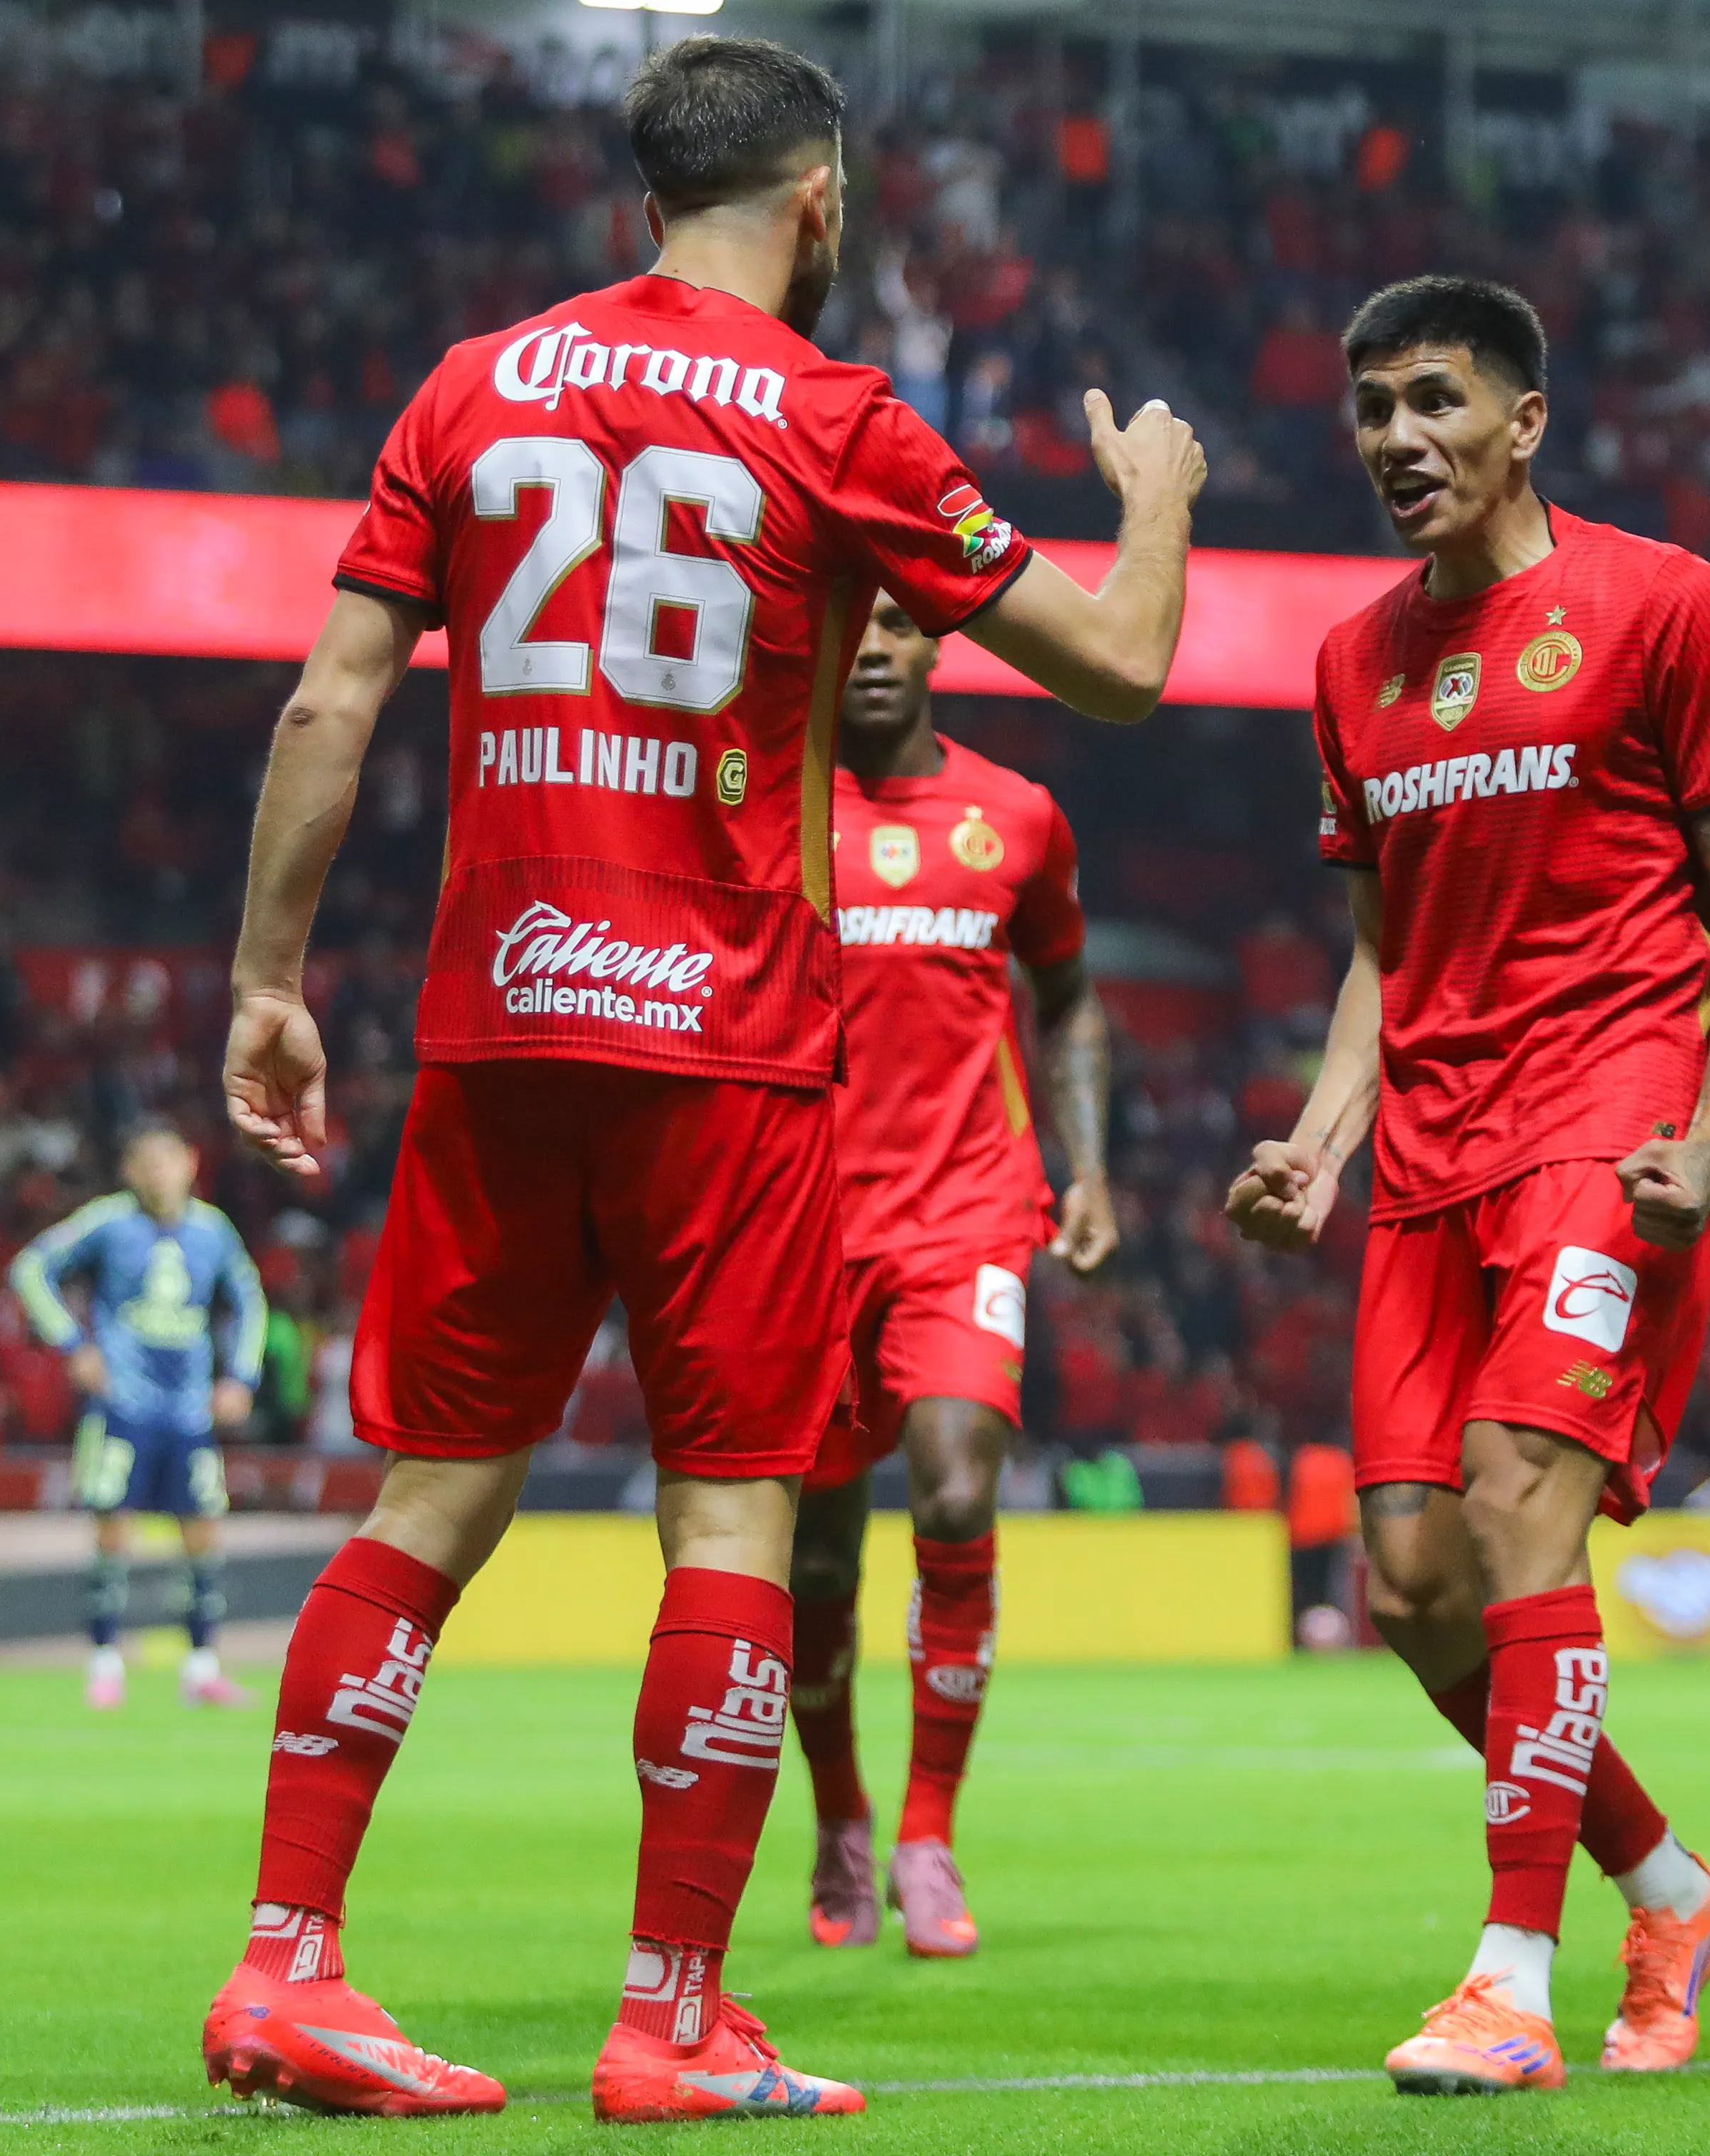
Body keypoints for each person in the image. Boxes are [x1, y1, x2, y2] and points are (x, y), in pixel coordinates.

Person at [201, 34, 1202, 2124]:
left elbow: (325, 706)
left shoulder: (467, 388)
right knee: (733, 1507)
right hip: (725, 1042)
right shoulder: (836, 414)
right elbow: (1120, 665)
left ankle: (286, 1963)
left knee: (433, 1494)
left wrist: (267, 983)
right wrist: (1161, 507)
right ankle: (670, 2015)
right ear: (818, 199)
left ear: (642, 196)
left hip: (500, 1015)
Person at [1225, 275, 1710, 2097]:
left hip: (1604, 1118)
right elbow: (1381, 952)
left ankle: (1508, 1980)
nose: (1399, 438)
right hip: (1426, 1151)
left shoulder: (1662, 603)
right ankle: (1675, 1891)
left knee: (1516, 1500)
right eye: (1372, 409)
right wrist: (1319, 1140)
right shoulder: (1352, 662)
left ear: (1525, 421)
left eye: (1436, 400)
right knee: (1412, 1586)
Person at [789, 592, 1118, 1960]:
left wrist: (1085, 1168)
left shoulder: (1017, 817)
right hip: (799, 1232)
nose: (871, 647)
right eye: (848, 624)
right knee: (814, 1563)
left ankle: (926, 1830)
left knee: (956, 1492)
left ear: (937, 642)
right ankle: (840, 1812)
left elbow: (1069, 995)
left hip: (967, 1216)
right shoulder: (768, 806)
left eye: (895, 623)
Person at [9, 1123, 266, 1711]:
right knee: (112, 1528)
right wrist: (72, 1344)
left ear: (190, 1165)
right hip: (122, 1403)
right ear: (129, 1171)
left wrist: (241, 1376)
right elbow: (30, 1268)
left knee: (202, 1530)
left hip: (189, 1408)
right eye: (146, 1163)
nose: (158, 1173)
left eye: (167, 1161)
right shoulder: (108, 1221)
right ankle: (104, 1664)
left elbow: (249, 1299)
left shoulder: (213, 1230)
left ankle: (201, 1668)